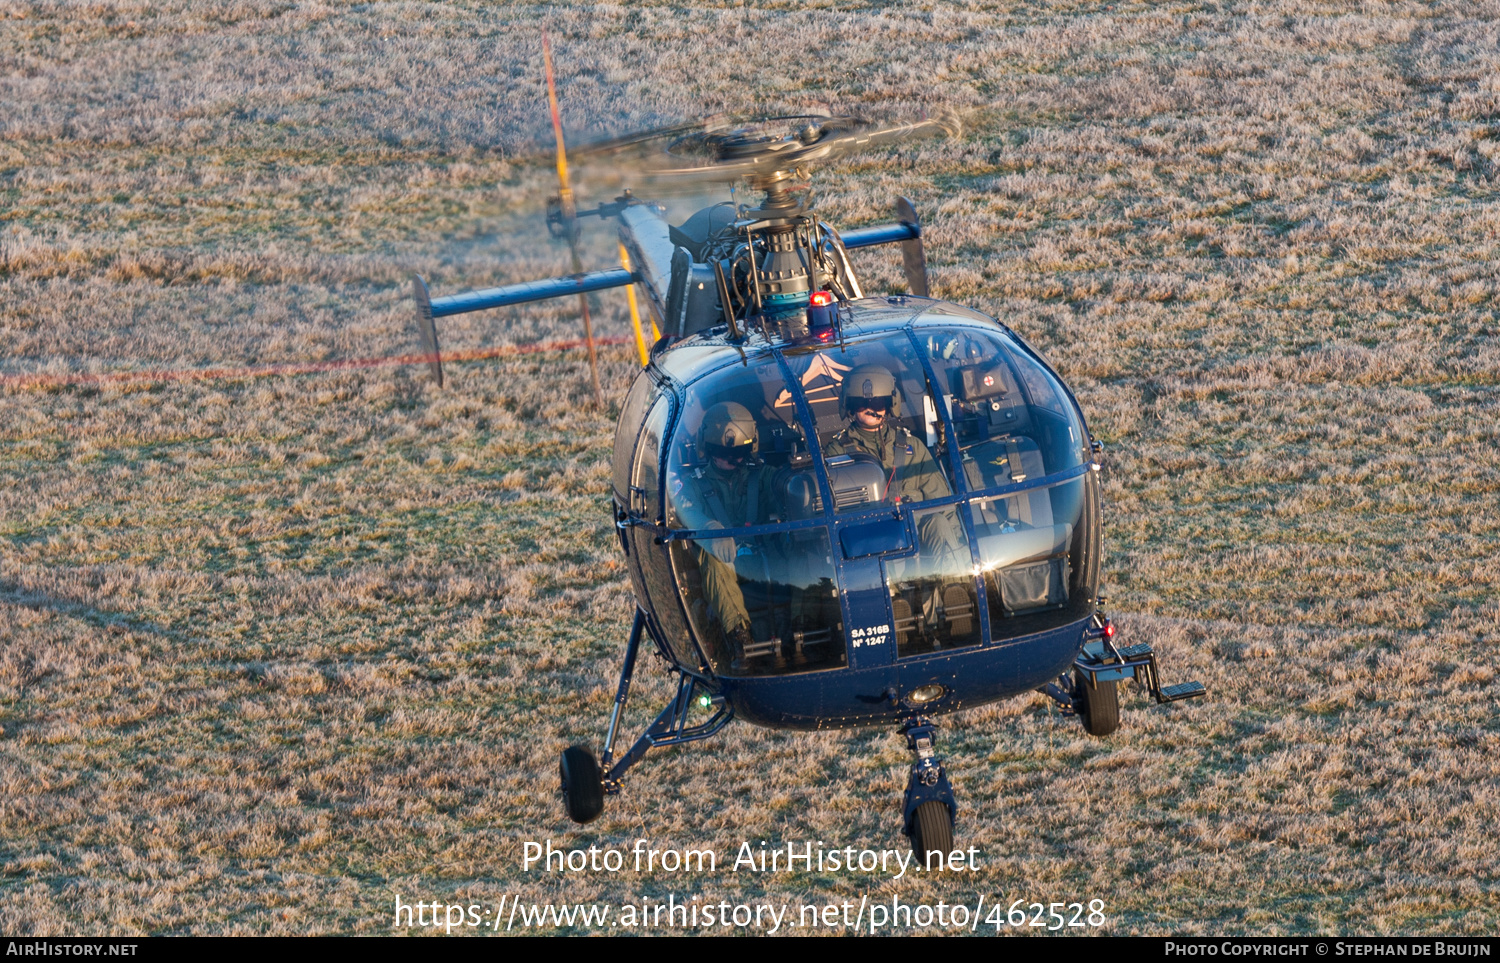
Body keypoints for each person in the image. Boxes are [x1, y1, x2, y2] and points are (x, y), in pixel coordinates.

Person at [672, 402, 779, 664]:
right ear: (708, 450)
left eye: (741, 452)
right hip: (726, 564)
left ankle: (807, 618)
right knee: (712, 558)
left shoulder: (761, 475)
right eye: (724, 452)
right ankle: (740, 637)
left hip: (764, 559)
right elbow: (687, 509)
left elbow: (783, 486)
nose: (735, 459)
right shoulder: (693, 484)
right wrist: (709, 529)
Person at [823, 364, 957, 548]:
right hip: (870, 544)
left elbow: (944, 506)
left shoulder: (913, 448)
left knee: (939, 524)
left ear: (889, 405)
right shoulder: (837, 454)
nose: (871, 407)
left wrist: (961, 551)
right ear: (851, 405)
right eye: (863, 403)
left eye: (878, 402)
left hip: (917, 541)